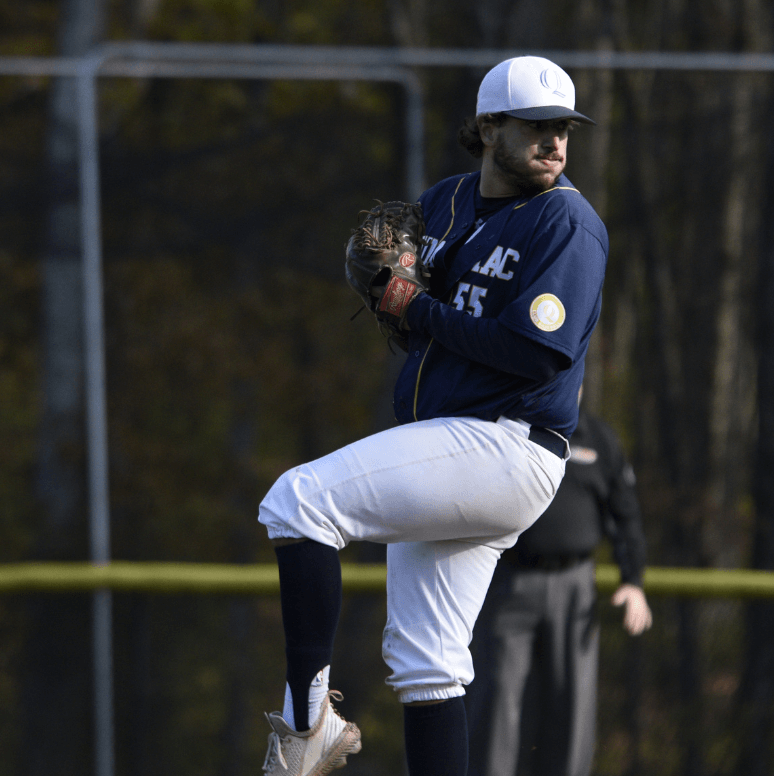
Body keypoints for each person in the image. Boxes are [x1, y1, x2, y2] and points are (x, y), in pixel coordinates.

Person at [256, 55, 608, 776]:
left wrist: (417, 307)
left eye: (563, 128)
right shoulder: (445, 204)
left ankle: (307, 723)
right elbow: (418, 315)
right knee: (428, 665)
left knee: (299, 502)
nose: (555, 142)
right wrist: (403, 303)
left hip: (506, 446)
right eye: (537, 126)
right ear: (487, 128)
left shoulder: (566, 221)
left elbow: (534, 353)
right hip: (450, 445)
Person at [467, 400, 652, 776]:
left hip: (576, 588)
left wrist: (633, 581)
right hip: (507, 583)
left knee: (573, 703)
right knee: (496, 698)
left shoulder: (600, 439)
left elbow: (627, 515)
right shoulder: (501, 428)